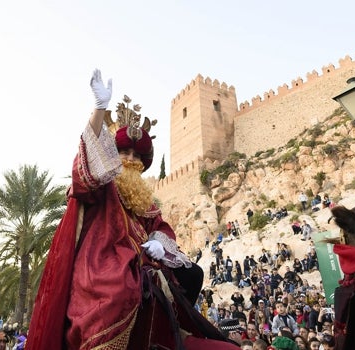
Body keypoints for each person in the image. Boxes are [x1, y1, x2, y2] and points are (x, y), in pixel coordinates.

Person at [27, 70, 237, 349]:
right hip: (104, 281)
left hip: (149, 283)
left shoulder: (146, 203)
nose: (131, 159)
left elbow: (161, 229)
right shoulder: (103, 185)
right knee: (119, 290)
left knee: (193, 276)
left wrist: (160, 244)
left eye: (137, 156)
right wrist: (99, 111)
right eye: (124, 153)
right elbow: (85, 173)